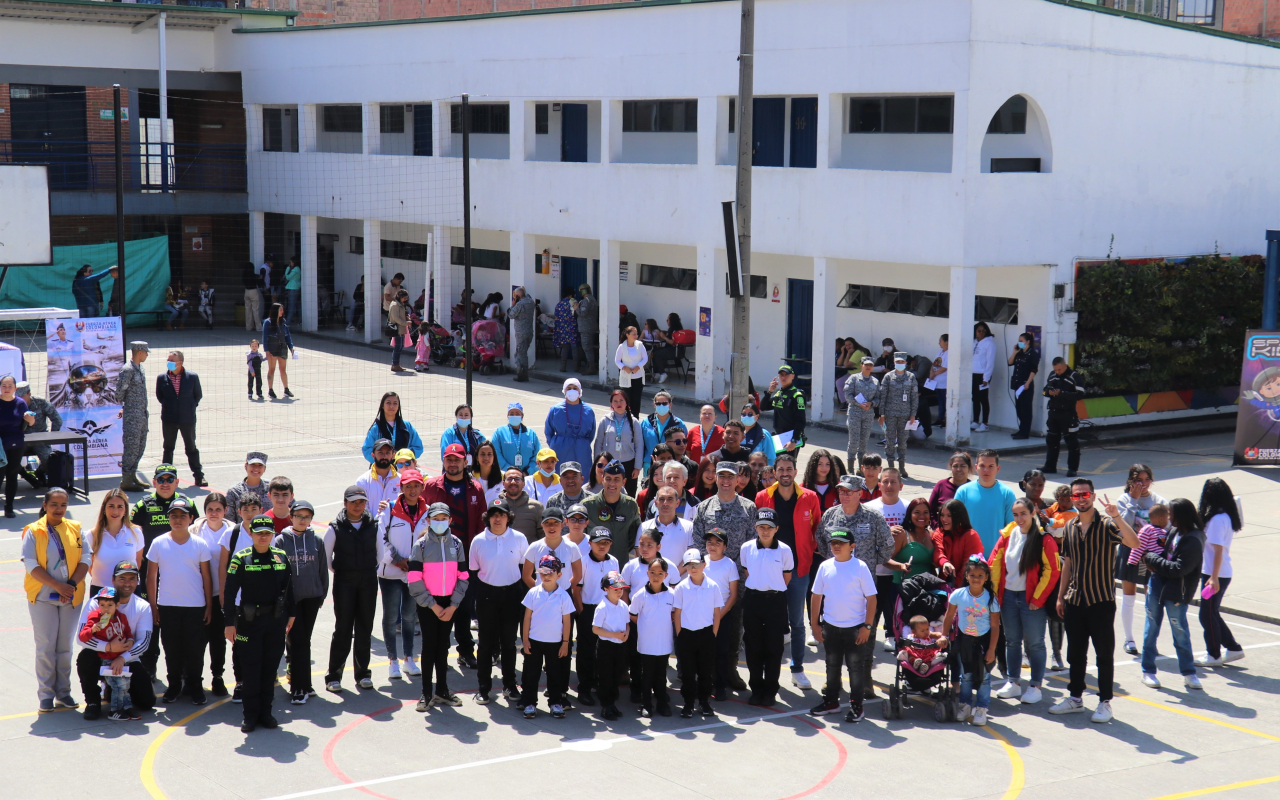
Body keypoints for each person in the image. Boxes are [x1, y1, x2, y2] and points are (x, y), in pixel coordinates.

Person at [1049, 478, 1140, 723]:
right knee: (1075, 653)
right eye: (1076, 495)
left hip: (1101, 600)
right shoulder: (1069, 527)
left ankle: (1105, 702)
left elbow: (1134, 543)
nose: (1081, 498)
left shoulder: (1108, 525)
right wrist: (1060, 596)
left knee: (1103, 654)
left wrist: (1118, 516)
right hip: (1075, 600)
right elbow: (1067, 562)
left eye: (1085, 494)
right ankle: (1075, 698)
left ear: (1093, 495)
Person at [812, 473, 894, 698]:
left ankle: (865, 681)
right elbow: (820, 542)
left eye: (849, 491)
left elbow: (887, 546)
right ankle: (833, 682)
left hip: (862, 590)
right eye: (841, 490)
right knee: (834, 638)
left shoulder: (873, 517)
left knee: (863, 637)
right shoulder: (830, 516)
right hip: (835, 590)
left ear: (860, 493)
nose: (844, 494)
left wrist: (867, 564)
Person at [753, 452, 820, 689]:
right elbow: (757, 531)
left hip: (800, 569)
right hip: (769, 570)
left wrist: (807, 555)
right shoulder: (762, 496)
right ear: (774, 472)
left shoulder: (810, 497)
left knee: (797, 623)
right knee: (768, 621)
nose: (784, 473)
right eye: (780, 469)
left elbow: (816, 529)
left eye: (788, 468)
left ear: (795, 471)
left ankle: (797, 669)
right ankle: (765, 667)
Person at [223, 515, 295, 732]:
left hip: (275, 621)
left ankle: (266, 713)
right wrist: (229, 623)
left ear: (273, 535)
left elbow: (289, 588)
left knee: (270, 667)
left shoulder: (281, 557)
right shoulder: (240, 558)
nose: (263, 537)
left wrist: (291, 614)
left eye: (267, 533)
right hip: (248, 623)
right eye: (259, 533)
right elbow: (229, 592)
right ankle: (250, 715)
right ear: (251, 534)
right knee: (251, 669)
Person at [23, 487, 90, 712]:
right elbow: (31, 565)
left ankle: (64, 693)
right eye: (54, 504)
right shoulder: (33, 531)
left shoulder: (76, 528)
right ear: (45, 506)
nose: (59, 509)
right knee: (45, 647)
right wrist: (57, 585)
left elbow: (86, 558)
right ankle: (45, 695)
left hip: (71, 597)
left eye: (63, 505)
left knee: (65, 648)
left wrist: (69, 586)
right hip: (43, 597)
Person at [989, 497, 1061, 706]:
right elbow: (994, 564)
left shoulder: (1043, 539)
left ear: (1032, 513)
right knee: (1012, 641)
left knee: (1036, 643)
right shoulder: (1006, 535)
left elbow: (1053, 571)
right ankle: (1013, 682)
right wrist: (995, 594)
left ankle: (1036, 685)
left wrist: (1038, 598)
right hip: (1008, 597)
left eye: (1023, 513)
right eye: (1016, 514)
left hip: (1031, 599)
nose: (1019, 518)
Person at [422, 443, 487, 669]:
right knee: (440, 604)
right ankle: (440, 651)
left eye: (456, 459)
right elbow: (418, 513)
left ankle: (465, 650)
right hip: (436, 559)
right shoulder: (430, 486)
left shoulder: (475, 488)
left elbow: (481, 524)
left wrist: (478, 557)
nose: (452, 463)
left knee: (464, 606)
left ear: (465, 462)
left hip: (465, 557)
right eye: (448, 459)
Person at [146, 497, 212, 705]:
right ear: (168, 519)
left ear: (191, 518)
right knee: (171, 649)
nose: (178, 520)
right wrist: (154, 606)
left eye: (183, 516)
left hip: (195, 606)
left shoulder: (200, 544)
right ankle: (174, 685)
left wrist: (209, 605)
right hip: (168, 606)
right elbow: (151, 577)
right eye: (173, 516)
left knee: (195, 649)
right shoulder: (158, 543)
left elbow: (206, 577)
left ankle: (195, 686)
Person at [808, 528, 878, 722]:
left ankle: (857, 706)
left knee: (855, 668)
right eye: (833, 543)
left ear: (852, 546)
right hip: (830, 626)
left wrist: (867, 626)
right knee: (832, 665)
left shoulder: (860, 567)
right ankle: (831, 702)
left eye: (841, 543)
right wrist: (815, 624)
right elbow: (816, 596)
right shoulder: (824, 566)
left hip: (855, 628)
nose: (836, 546)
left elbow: (871, 599)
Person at [407, 502, 469, 711]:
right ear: (428, 521)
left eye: (444, 519)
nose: (440, 522)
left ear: (450, 520)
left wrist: (453, 606)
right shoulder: (421, 545)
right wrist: (432, 605)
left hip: (449, 604)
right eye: (436, 519)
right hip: (428, 604)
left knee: (443, 647)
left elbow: (463, 577)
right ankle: (426, 693)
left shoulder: (458, 544)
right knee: (429, 647)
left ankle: (442, 690)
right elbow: (414, 580)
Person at [76, 560, 156, 720]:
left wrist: (122, 657)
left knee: (147, 703)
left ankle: (114, 691)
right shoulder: (97, 603)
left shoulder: (143, 606)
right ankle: (93, 702)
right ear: (113, 580)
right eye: (122, 579)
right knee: (85, 658)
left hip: (127, 659)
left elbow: (144, 642)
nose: (127, 583)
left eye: (132, 579)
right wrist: (108, 647)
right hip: (100, 656)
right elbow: (81, 637)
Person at [1140, 498, 1205, 689]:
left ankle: (1189, 673)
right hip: (1158, 584)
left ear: (1181, 515)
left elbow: (1178, 569)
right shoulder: (1174, 531)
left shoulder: (1193, 540)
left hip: (1176, 592)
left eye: (1171, 513)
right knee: (1151, 628)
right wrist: (1154, 562)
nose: (1168, 517)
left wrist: (1150, 557)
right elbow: (1165, 556)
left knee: (1180, 632)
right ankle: (1148, 670)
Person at [470, 499, 529, 704]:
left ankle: (510, 685)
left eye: (502, 514)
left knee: (509, 643)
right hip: (487, 594)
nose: (497, 518)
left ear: (508, 517)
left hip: (512, 594)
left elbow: (524, 569)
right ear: (488, 517)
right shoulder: (478, 541)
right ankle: (484, 688)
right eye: (494, 514)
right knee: (485, 644)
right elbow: (473, 572)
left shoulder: (520, 538)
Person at [322, 486, 380, 694]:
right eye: (353, 502)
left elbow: (380, 554)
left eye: (361, 502)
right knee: (343, 629)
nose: (358, 506)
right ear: (345, 503)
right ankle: (334, 676)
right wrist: (343, 571)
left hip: (368, 581)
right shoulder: (335, 528)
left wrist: (366, 570)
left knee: (365, 629)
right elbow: (327, 558)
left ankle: (363, 674)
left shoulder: (374, 525)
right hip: (344, 582)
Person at [275, 501, 328, 705]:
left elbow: (322, 569)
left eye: (307, 516)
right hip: (292, 601)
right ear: (291, 517)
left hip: (312, 598)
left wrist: (321, 594)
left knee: (304, 641)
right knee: (296, 642)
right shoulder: (280, 541)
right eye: (299, 516)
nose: (302, 520)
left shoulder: (316, 540)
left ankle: (305, 683)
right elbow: (278, 573)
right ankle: (298, 686)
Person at [739, 508, 793, 707]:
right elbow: (747, 572)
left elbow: (786, 577)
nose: (765, 531)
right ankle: (756, 688)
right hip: (753, 599)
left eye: (769, 527)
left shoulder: (785, 550)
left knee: (774, 647)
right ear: (755, 527)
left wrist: (771, 589)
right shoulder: (746, 548)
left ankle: (770, 690)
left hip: (775, 601)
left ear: (776, 528)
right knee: (753, 646)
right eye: (761, 527)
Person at [378, 469, 428, 681]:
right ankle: (393, 661)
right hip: (390, 572)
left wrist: (416, 562)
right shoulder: (389, 509)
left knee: (409, 617)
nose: (412, 489)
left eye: (416, 485)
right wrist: (398, 559)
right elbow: (380, 538)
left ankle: (409, 658)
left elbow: (431, 539)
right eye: (408, 486)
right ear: (402, 487)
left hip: (415, 573)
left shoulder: (428, 511)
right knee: (391, 617)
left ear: (422, 487)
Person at [942, 556, 1002, 726]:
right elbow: (949, 617)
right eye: (972, 575)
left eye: (980, 575)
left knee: (984, 677)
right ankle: (965, 704)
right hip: (965, 641)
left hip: (984, 642)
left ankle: (982, 708)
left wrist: (991, 650)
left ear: (986, 577)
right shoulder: (958, 594)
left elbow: (995, 627)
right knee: (965, 675)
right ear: (966, 575)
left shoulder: (991, 599)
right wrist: (943, 635)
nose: (976, 579)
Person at [1115, 463, 1167, 656]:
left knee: (1152, 597)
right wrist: (1133, 501)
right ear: (1131, 482)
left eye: (1147, 480)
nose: (1144, 484)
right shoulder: (1124, 499)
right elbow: (1124, 526)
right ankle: (1129, 639)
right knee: (1128, 595)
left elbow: (1166, 528)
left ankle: (1150, 640)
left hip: (1153, 554)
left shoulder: (1159, 501)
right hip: (1130, 551)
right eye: (1139, 480)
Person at [1196, 477, 1245, 667]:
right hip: (1217, 572)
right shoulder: (1225, 516)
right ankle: (1233, 648)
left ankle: (1214, 654)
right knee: (1211, 613)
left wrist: (1213, 578)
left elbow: (1217, 550)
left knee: (1206, 615)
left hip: (1215, 574)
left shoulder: (1217, 520)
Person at [521, 554, 575, 719]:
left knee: (554, 674)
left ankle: (555, 702)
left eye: (550, 573)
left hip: (555, 643)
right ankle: (529, 702)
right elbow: (527, 618)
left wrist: (565, 643)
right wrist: (525, 640)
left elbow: (567, 622)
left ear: (559, 575)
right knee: (531, 673)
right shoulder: (533, 593)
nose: (546, 576)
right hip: (535, 641)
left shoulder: (564, 596)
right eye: (543, 573)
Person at [189, 494, 232, 697]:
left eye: (218, 509)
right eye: (210, 509)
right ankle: (193, 678)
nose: (214, 513)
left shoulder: (233, 532)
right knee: (197, 639)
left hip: (221, 595)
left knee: (218, 639)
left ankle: (218, 676)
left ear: (226, 511)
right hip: (198, 594)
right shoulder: (194, 531)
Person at [673, 548, 723, 717]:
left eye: (696, 564)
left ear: (704, 564)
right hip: (687, 635)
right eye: (689, 566)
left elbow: (717, 612)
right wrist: (680, 635)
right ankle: (688, 703)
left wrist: (713, 633)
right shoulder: (681, 588)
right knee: (687, 672)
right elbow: (677, 613)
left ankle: (704, 702)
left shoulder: (713, 586)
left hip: (706, 634)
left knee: (705, 672)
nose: (693, 568)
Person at [575, 527, 619, 707]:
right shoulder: (583, 561)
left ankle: (600, 685)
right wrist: (581, 612)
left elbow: (617, 587)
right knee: (586, 650)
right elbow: (576, 589)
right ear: (590, 543)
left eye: (606, 543)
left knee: (604, 650)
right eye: (598, 542)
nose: (602, 546)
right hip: (588, 608)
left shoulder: (614, 562)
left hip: (608, 609)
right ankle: (584, 688)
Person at [78, 588, 138, 720]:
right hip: (106, 660)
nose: (105, 609)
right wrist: (93, 629)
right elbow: (82, 637)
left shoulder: (121, 617)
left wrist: (130, 640)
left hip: (120, 659)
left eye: (110, 605)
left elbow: (127, 632)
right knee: (118, 685)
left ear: (117, 605)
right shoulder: (95, 617)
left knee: (125, 685)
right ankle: (115, 710)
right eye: (102, 605)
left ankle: (127, 707)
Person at [155, 351, 206, 487]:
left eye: (172, 360)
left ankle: (198, 475)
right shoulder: (162, 378)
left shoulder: (192, 377)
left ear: (180, 363)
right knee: (168, 447)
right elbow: (160, 396)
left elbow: (197, 395)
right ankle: (165, 476)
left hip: (187, 419)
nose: (169, 363)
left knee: (191, 447)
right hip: (169, 418)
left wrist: (188, 407)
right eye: (168, 360)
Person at [955, 449, 1016, 555]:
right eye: (982, 466)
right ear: (976, 467)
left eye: (991, 466)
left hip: (997, 558)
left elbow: (1012, 528)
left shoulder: (1007, 493)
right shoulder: (963, 492)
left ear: (998, 468)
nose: (986, 470)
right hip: (968, 557)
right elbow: (955, 524)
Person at [584, 460, 642, 563]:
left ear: (623, 482)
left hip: (621, 563)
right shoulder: (588, 505)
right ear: (602, 480)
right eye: (608, 479)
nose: (612, 483)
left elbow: (636, 535)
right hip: (593, 564)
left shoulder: (631, 505)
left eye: (616, 479)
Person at [112, 341, 151, 492]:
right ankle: (126, 479)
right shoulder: (127, 370)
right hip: (132, 416)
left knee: (140, 446)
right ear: (139, 352)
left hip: (142, 415)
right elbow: (119, 393)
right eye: (146, 352)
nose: (147, 354)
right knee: (131, 447)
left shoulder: (140, 369)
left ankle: (133, 475)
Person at [592, 569, 631, 719]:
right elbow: (595, 629)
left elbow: (627, 623)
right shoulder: (602, 607)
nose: (619, 592)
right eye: (615, 589)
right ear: (606, 589)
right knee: (605, 677)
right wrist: (614, 635)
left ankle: (612, 703)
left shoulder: (623, 606)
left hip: (620, 646)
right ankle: (605, 706)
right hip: (606, 647)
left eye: (621, 589)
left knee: (617, 676)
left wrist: (626, 633)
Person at [593, 390, 645, 494]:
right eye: (615, 401)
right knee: (609, 492)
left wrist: (637, 467)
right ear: (611, 404)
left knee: (628, 495)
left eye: (621, 400)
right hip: (608, 464)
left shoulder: (634, 422)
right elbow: (598, 443)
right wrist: (597, 464)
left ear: (626, 403)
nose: (618, 403)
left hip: (628, 464)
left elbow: (639, 445)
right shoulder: (605, 420)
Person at [1041, 357, 1085, 476]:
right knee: (1052, 440)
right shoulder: (1052, 375)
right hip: (1054, 413)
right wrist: (1049, 392)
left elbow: (1080, 394)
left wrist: (1062, 393)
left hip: (1068, 414)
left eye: (1059, 370)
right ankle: (1050, 466)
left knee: (1071, 442)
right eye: (1055, 370)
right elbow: (1044, 391)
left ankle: (1072, 469)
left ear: (1065, 366)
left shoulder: (1074, 376)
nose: (1057, 372)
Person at [878, 352, 918, 478]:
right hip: (890, 414)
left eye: (902, 362)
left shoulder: (911, 377)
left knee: (902, 441)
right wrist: (882, 414)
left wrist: (913, 414)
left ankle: (901, 467)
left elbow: (914, 397)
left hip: (905, 414)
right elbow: (882, 396)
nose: (900, 364)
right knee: (889, 441)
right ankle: (890, 466)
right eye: (898, 362)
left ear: (906, 363)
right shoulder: (888, 377)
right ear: (894, 363)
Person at [1, 375, 36, 516]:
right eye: (4, 386)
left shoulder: (21, 403)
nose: (7, 389)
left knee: (12, 476)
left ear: (15, 388)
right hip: (0, 446)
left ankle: (9, 507)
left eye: (10, 386)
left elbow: (31, 423)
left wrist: (31, 419)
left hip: (16, 443)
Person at [545, 378, 596, 469]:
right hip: (560, 450)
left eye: (575, 388)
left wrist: (582, 443)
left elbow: (591, 433)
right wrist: (556, 444)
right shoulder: (556, 409)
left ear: (580, 391)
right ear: (564, 391)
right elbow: (548, 431)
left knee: (582, 477)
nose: (572, 390)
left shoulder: (588, 410)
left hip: (582, 451)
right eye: (569, 388)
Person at [934, 499, 986, 587]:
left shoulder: (971, 535)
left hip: (968, 587)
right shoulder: (939, 532)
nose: (944, 519)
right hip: (944, 586)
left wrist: (954, 589)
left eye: (949, 516)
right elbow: (938, 552)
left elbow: (968, 567)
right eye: (942, 515)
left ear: (959, 517)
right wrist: (944, 562)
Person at [15, 381, 60, 482]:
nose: (20, 399)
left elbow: (57, 419)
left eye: (22, 396)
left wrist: (52, 438)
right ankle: (26, 476)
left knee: (49, 459)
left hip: (39, 438)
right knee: (10, 458)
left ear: (29, 394)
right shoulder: (12, 404)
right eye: (18, 396)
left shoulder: (41, 402)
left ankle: (40, 472)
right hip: (20, 440)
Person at [361, 392, 424, 462]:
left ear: (398, 406)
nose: (391, 406)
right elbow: (367, 450)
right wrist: (382, 459)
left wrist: (405, 455)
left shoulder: (406, 426)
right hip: (382, 469)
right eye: (388, 403)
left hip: (402, 467)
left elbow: (418, 447)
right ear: (382, 405)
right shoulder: (376, 428)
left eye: (395, 403)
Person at [843, 357, 880, 472]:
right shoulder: (854, 378)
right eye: (866, 364)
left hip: (868, 414)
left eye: (871, 365)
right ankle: (850, 467)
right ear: (861, 365)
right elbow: (847, 394)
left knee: (864, 441)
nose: (868, 367)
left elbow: (879, 398)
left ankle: (861, 467)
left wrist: (871, 403)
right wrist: (858, 404)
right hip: (855, 413)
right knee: (854, 440)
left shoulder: (875, 381)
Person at [639, 392, 685, 476]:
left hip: (671, 464)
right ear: (654, 405)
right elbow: (640, 444)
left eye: (664, 403)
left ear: (670, 405)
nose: (661, 406)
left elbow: (684, 444)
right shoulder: (646, 422)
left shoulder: (678, 423)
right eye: (658, 403)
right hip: (649, 464)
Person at [492, 402, 541, 475]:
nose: (514, 416)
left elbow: (538, 454)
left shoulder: (531, 434)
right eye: (511, 414)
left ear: (522, 416)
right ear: (507, 416)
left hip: (527, 476)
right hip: (505, 475)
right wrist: (509, 470)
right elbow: (495, 453)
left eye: (517, 414)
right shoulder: (499, 432)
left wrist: (528, 471)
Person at [498, 466, 545, 541]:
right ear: (503, 483)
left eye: (517, 479)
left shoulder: (537, 507)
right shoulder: (496, 506)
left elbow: (543, 536)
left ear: (523, 484)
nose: (513, 482)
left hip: (529, 552)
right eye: (509, 479)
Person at [1008, 332, 1040, 439]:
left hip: (1025, 385)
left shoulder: (1033, 354)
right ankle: (1021, 430)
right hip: (1017, 384)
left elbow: (1034, 369)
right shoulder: (1019, 353)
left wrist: (1028, 382)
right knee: (1019, 408)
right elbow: (1010, 362)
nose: (1019, 343)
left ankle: (1025, 432)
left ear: (1028, 342)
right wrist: (1014, 352)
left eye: (1021, 341)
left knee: (1026, 409)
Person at [261, 303, 296, 400]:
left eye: (282, 310)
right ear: (275, 311)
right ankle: (270, 390)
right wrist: (267, 350)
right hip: (272, 348)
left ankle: (286, 389)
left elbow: (288, 336)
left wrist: (291, 348)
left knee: (283, 369)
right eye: (280, 310)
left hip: (282, 348)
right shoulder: (267, 322)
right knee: (272, 369)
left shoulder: (283, 322)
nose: (282, 312)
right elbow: (265, 337)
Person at [929, 451, 972, 525]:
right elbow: (930, 510)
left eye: (963, 466)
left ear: (969, 468)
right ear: (951, 467)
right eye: (955, 466)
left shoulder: (973, 488)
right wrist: (937, 527)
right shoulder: (941, 485)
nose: (958, 469)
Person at [615, 325, 648, 418]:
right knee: (627, 399)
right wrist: (624, 367)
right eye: (633, 334)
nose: (636, 336)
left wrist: (639, 366)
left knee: (636, 400)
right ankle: (627, 418)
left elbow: (645, 358)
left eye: (636, 334)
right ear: (627, 335)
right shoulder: (622, 346)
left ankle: (635, 418)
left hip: (638, 376)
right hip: (626, 377)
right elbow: (617, 360)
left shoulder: (640, 345)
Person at [508, 285, 536, 383]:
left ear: (518, 295)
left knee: (521, 353)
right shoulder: (531, 302)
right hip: (529, 331)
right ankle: (523, 374)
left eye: (515, 296)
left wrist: (513, 305)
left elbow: (511, 315)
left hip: (521, 332)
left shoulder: (520, 304)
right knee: (522, 353)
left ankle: (522, 375)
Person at [971, 322, 996, 432]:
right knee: (975, 399)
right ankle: (975, 421)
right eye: (979, 330)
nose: (981, 333)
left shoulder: (989, 344)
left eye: (983, 331)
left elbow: (990, 362)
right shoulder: (973, 342)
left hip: (983, 375)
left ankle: (985, 423)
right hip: (973, 374)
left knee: (983, 399)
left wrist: (986, 378)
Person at [573, 284, 599, 374]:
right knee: (589, 347)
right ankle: (590, 366)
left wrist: (576, 309)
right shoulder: (593, 299)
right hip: (591, 327)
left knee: (587, 348)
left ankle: (591, 367)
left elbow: (583, 313)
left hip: (586, 328)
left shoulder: (586, 300)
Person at [552, 291, 580, 371]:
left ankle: (563, 366)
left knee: (564, 348)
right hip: (573, 329)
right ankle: (576, 367)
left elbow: (556, 317)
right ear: (570, 295)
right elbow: (577, 314)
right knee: (575, 348)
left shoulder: (558, 304)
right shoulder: (573, 303)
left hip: (562, 330)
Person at [389, 288, 412, 373]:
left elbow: (402, 314)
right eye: (404, 298)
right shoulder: (395, 305)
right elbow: (395, 318)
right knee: (397, 347)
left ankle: (396, 364)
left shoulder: (400, 304)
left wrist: (407, 317)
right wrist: (405, 323)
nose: (405, 299)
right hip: (397, 328)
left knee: (400, 346)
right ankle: (395, 364)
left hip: (401, 328)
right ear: (400, 296)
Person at [931, 334, 950, 427]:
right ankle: (940, 419)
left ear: (946, 342)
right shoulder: (940, 352)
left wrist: (934, 374)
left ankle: (946, 420)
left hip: (945, 383)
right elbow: (934, 364)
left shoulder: (949, 353)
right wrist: (931, 373)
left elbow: (945, 367)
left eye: (941, 341)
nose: (939, 343)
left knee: (946, 403)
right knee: (940, 402)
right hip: (937, 383)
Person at [242, 261, 263, 332]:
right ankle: (258, 327)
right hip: (253, 291)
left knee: (248, 310)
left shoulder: (244, 276)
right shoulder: (254, 276)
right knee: (255, 310)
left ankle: (248, 326)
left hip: (246, 291)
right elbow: (259, 281)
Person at [283, 257, 301, 324]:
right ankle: (301, 320)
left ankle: (287, 322)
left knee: (291, 305)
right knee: (298, 304)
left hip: (293, 288)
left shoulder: (295, 269)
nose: (290, 263)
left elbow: (287, 277)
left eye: (291, 262)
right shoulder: (298, 269)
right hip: (297, 287)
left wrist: (287, 268)